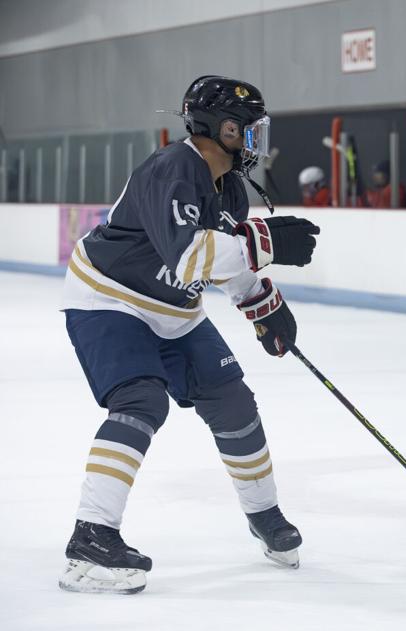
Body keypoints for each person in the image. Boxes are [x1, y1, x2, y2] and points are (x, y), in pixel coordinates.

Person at [59, 75, 321, 594]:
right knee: (140, 401)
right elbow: (190, 255)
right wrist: (266, 243)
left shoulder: (230, 188)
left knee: (234, 403)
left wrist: (261, 304)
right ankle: (89, 539)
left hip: (175, 311)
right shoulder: (173, 167)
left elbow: (224, 259)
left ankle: (264, 516)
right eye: (248, 130)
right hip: (109, 298)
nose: (255, 141)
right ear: (220, 128)